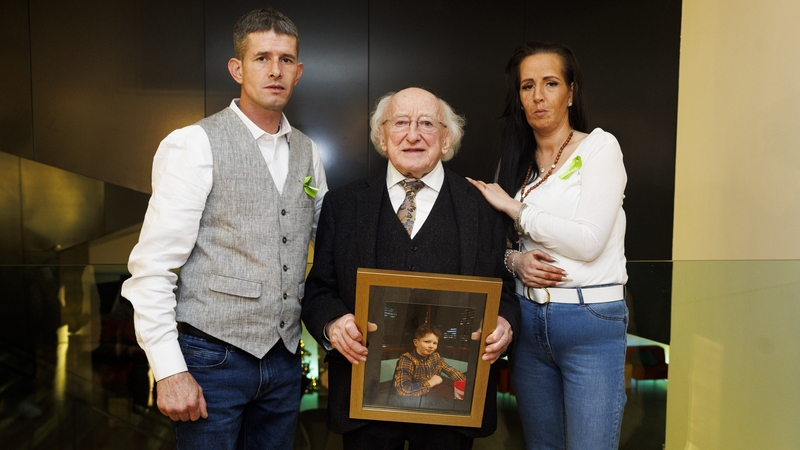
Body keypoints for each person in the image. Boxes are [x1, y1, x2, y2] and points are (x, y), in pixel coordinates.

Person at [121, 8, 327, 449]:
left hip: (286, 361)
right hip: (210, 360)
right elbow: (152, 268)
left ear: (299, 71)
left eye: (287, 60)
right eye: (261, 58)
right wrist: (170, 370)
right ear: (237, 68)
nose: (276, 70)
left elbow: (324, 240)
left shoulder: (308, 152)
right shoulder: (193, 143)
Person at [301, 87, 520, 450]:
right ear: (382, 137)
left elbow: (505, 293)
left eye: (426, 124)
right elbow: (319, 290)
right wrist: (333, 324)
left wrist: (504, 323)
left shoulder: (482, 210)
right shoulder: (343, 205)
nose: (413, 134)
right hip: (363, 401)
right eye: (400, 122)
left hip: (451, 413)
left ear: (446, 139)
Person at [468, 41, 628, 450]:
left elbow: (589, 242)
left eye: (551, 83)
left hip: (589, 322)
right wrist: (515, 259)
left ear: (571, 92)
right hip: (527, 321)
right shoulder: (514, 164)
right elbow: (499, 249)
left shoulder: (600, 148)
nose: (538, 96)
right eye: (527, 86)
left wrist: (516, 209)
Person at [393, 324, 466, 397]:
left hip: (434, 393)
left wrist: (466, 383)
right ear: (416, 343)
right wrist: (432, 382)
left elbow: (450, 370)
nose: (431, 346)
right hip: (415, 398)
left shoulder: (435, 356)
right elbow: (403, 391)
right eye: (427, 342)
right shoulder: (407, 359)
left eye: (435, 343)